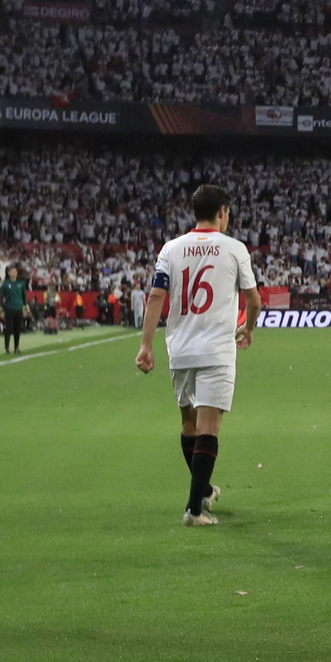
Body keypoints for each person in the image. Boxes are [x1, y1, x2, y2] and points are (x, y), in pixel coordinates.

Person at [134, 185, 262, 526]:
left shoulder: (171, 249)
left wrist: (146, 345)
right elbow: (254, 300)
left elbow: (156, 297)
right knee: (209, 428)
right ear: (221, 212)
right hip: (216, 350)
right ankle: (194, 510)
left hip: (180, 349)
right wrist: (248, 328)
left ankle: (203, 490)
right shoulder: (234, 249)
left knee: (189, 424)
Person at [0, 264, 30, 354]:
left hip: (19, 308)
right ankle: (7, 348)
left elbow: (24, 296)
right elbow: (1, 297)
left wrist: (25, 306)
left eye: (15, 272)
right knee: (8, 329)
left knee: (17, 329)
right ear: (8, 273)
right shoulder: (5, 284)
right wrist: (1, 308)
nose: (13, 274)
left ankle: (16, 347)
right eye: (12, 272)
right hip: (9, 309)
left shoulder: (21, 283)